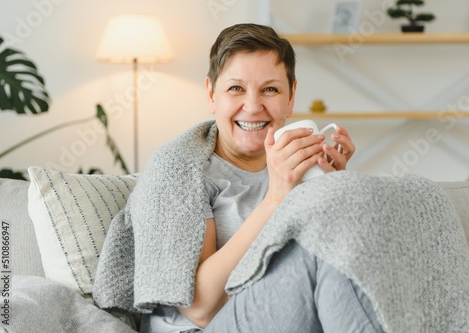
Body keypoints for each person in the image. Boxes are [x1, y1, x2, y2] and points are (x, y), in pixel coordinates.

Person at [138, 23, 384, 333]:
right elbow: (199, 308)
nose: (253, 106)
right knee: (317, 258)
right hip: (199, 328)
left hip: (281, 316)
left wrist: (330, 188)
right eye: (235, 88)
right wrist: (277, 198)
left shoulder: (296, 165)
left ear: (291, 97)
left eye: (270, 89)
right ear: (212, 94)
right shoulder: (178, 170)